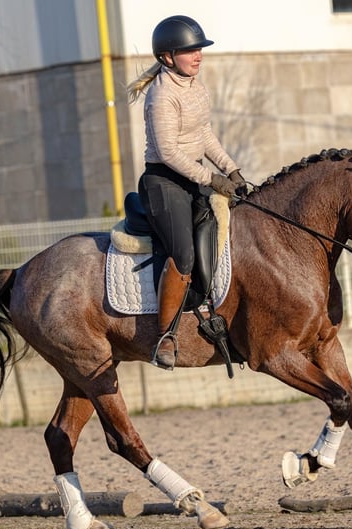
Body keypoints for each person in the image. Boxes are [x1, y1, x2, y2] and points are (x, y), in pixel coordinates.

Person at [126, 14, 245, 370]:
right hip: (163, 183)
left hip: (192, 177)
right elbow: (168, 153)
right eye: (190, 50)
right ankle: (166, 335)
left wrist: (231, 168)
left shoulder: (196, 86)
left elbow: (204, 134)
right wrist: (212, 179)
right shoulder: (161, 95)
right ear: (167, 57)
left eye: (199, 49)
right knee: (183, 253)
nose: (198, 56)